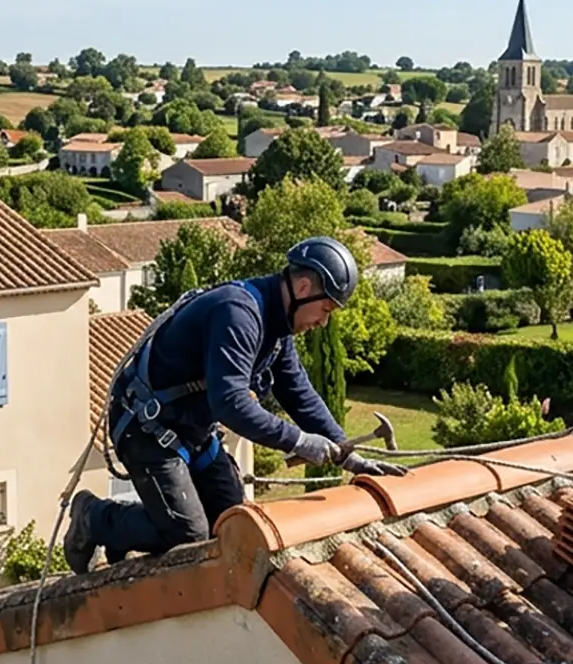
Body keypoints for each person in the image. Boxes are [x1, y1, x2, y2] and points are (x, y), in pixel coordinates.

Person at [63, 237, 407, 574]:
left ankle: (131, 529)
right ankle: (94, 518)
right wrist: (299, 442)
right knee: (188, 535)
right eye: (326, 308)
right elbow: (231, 403)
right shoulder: (239, 313)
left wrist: (349, 455)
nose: (323, 321)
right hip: (147, 431)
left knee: (233, 526)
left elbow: (297, 392)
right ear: (303, 288)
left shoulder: (276, 327)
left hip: (192, 431)